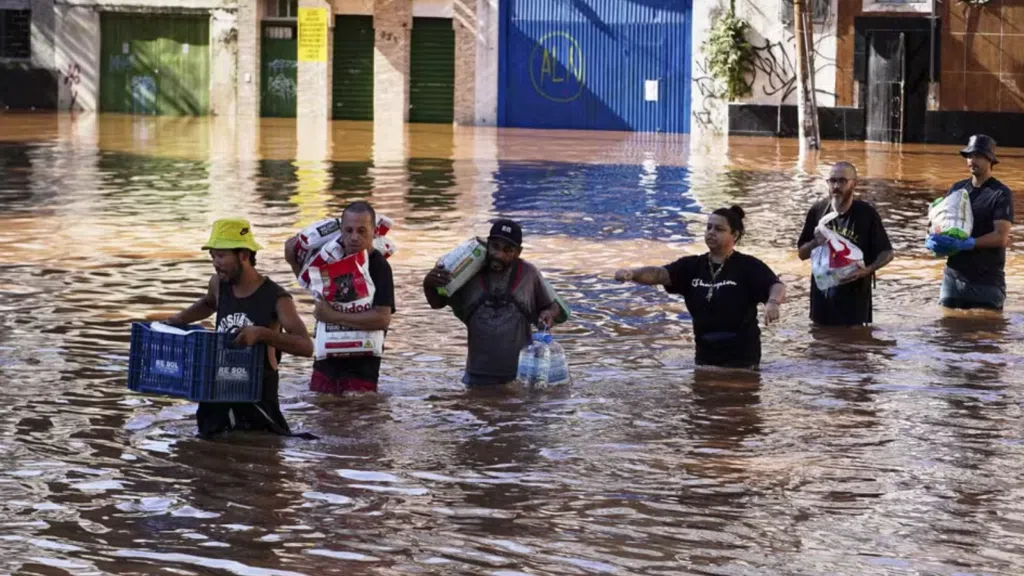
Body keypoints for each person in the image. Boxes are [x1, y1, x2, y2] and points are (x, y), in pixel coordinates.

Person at [165, 218, 314, 439]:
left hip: (256, 399)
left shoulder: (276, 297)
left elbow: (306, 346)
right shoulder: (218, 283)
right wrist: (177, 320)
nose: (216, 263)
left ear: (244, 255)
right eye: (213, 256)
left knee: (260, 453)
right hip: (217, 391)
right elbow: (208, 303)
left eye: (222, 256)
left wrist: (262, 334)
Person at [614, 206, 786, 369]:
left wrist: (772, 302)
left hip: (742, 357)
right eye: (708, 227)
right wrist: (633, 273)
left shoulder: (749, 266)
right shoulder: (691, 266)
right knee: (701, 398)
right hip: (705, 354)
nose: (711, 232)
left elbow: (776, 285)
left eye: (719, 229)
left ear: (734, 234)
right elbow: (660, 274)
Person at [422, 219, 561, 387]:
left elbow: (552, 306)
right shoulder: (467, 272)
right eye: (495, 247)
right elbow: (437, 303)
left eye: (507, 250)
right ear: (487, 244)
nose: (499, 254)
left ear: (518, 252)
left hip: (519, 378)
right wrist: (428, 284)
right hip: (476, 376)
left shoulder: (529, 274)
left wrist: (548, 314)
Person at [284, 201, 395, 394]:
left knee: (359, 417)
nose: (354, 238)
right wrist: (292, 260)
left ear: (374, 232)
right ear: (340, 231)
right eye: (349, 230)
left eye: (362, 231)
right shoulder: (331, 259)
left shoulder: (379, 267)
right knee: (321, 416)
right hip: (325, 363)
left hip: (361, 369)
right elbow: (314, 290)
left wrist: (333, 317)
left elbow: (382, 319)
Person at [796, 161, 894, 326]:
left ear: (854, 184)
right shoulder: (818, 211)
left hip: (854, 302)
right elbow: (801, 254)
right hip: (822, 299)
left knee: (854, 344)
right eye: (832, 181)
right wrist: (814, 243)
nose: (836, 186)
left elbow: (887, 253)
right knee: (820, 343)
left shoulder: (866, 214)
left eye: (842, 181)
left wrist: (867, 270)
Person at [926, 134, 1014, 310]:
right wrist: (932, 236)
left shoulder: (1000, 193)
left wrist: (970, 243)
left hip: (987, 283)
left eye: (979, 156)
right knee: (946, 333)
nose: (973, 160)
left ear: (990, 160)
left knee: (986, 332)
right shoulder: (957, 189)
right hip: (953, 280)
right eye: (970, 156)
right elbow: (942, 221)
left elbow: (1001, 237)